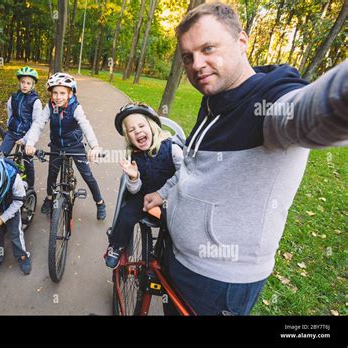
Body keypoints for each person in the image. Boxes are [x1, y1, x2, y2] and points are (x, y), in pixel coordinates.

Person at [143, 2, 348, 315]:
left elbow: (314, 112)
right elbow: (195, 169)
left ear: (242, 42)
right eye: (188, 57)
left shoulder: (270, 103)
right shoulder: (214, 99)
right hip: (178, 256)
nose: (197, 64)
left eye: (208, 48)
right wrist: (164, 193)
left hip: (217, 282)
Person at [104, 103, 183, 268]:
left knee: (176, 223)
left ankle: (168, 254)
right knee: (126, 214)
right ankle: (117, 245)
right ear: (128, 137)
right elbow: (135, 189)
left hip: (171, 196)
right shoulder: (133, 156)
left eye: (141, 126)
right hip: (144, 195)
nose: (138, 131)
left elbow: (185, 174)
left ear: (152, 127)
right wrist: (133, 177)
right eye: (131, 130)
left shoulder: (171, 148)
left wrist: (163, 195)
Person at [24, 72, 106, 220]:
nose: (58, 96)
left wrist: (95, 146)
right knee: (52, 175)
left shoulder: (75, 107)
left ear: (70, 94)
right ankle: (49, 198)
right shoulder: (51, 106)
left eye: (62, 93)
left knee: (87, 175)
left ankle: (100, 202)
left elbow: (85, 125)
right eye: (55, 93)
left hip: (74, 145)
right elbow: (38, 123)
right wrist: (30, 143)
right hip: (57, 144)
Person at [0, 66, 42, 190]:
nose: (25, 85)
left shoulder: (35, 101)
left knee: (27, 159)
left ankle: (30, 184)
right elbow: (10, 110)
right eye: (23, 82)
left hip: (27, 134)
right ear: (19, 82)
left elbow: (36, 124)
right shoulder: (14, 97)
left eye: (28, 83)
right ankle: (1, 178)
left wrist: (25, 139)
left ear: (33, 85)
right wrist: (10, 123)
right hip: (12, 133)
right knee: (0, 155)